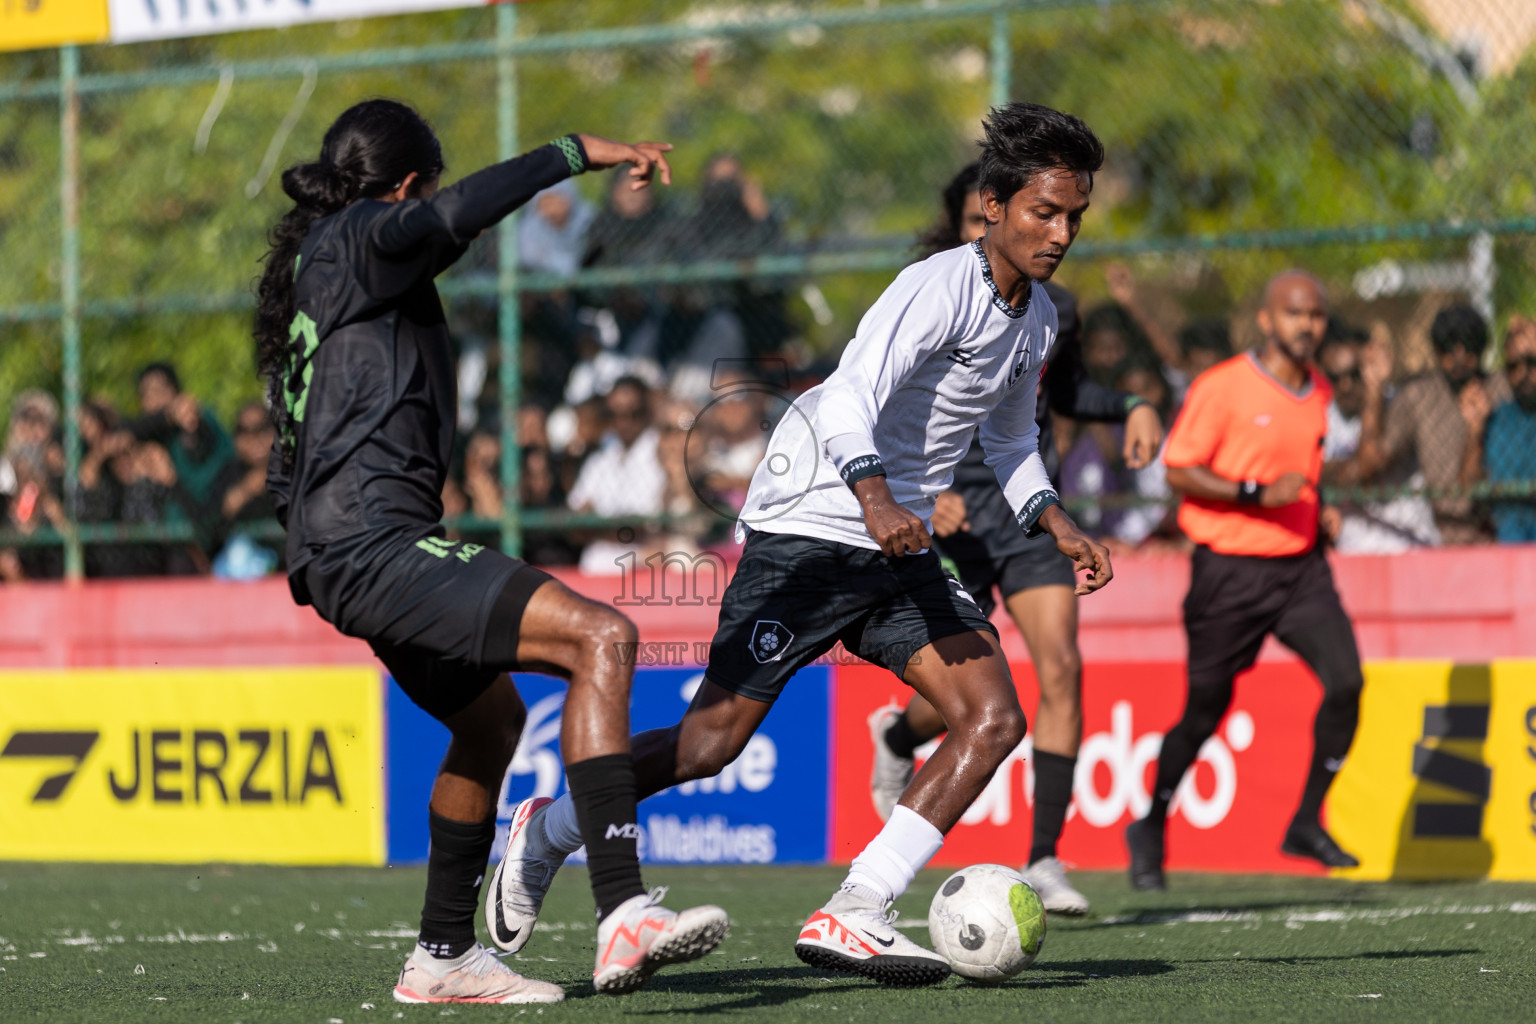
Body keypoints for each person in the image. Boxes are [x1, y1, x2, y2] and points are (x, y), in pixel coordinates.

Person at [488, 102, 1113, 987]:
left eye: (1073, 217)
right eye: (1043, 212)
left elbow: (1008, 440)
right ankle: (548, 830)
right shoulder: (933, 287)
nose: (1059, 233)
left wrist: (1055, 518)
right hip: (812, 522)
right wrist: (874, 497)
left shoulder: (1039, 319)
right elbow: (851, 395)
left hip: (888, 539)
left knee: (993, 716)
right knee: (710, 744)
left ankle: (858, 908)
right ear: (997, 207)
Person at [253, 99, 726, 1005]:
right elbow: (452, 214)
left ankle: (440, 959)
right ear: (401, 187)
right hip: (373, 545)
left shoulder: (325, 272)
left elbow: (289, 466)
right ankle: (623, 913)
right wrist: (573, 152)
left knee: (491, 723)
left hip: (344, 549)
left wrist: (322, 547)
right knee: (603, 638)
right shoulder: (363, 235)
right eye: (420, 192)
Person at [867, 162, 1164, 917]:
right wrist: (921, 496)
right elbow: (876, 399)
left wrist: (1131, 402)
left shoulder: (1051, 309)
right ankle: (901, 738)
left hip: (1029, 513)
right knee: (968, 690)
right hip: (947, 516)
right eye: (972, 221)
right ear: (974, 221)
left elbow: (1062, 400)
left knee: (1061, 664)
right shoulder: (929, 292)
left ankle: (1046, 858)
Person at [1124, 271, 1364, 891]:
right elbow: (1179, 470)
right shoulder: (1223, 386)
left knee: (1346, 683)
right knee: (1204, 712)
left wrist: (1322, 506)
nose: (1306, 326)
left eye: (1315, 316)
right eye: (1294, 314)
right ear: (1266, 320)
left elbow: (1301, 469)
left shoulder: (1319, 390)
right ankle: (1150, 824)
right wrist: (1255, 493)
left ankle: (1307, 820)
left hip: (1301, 568)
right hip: (1228, 572)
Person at [1484, 316, 1536, 542]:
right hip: (1509, 538)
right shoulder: (1497, 420)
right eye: (1514, 366)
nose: (1524, 373)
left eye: (1532, 362)